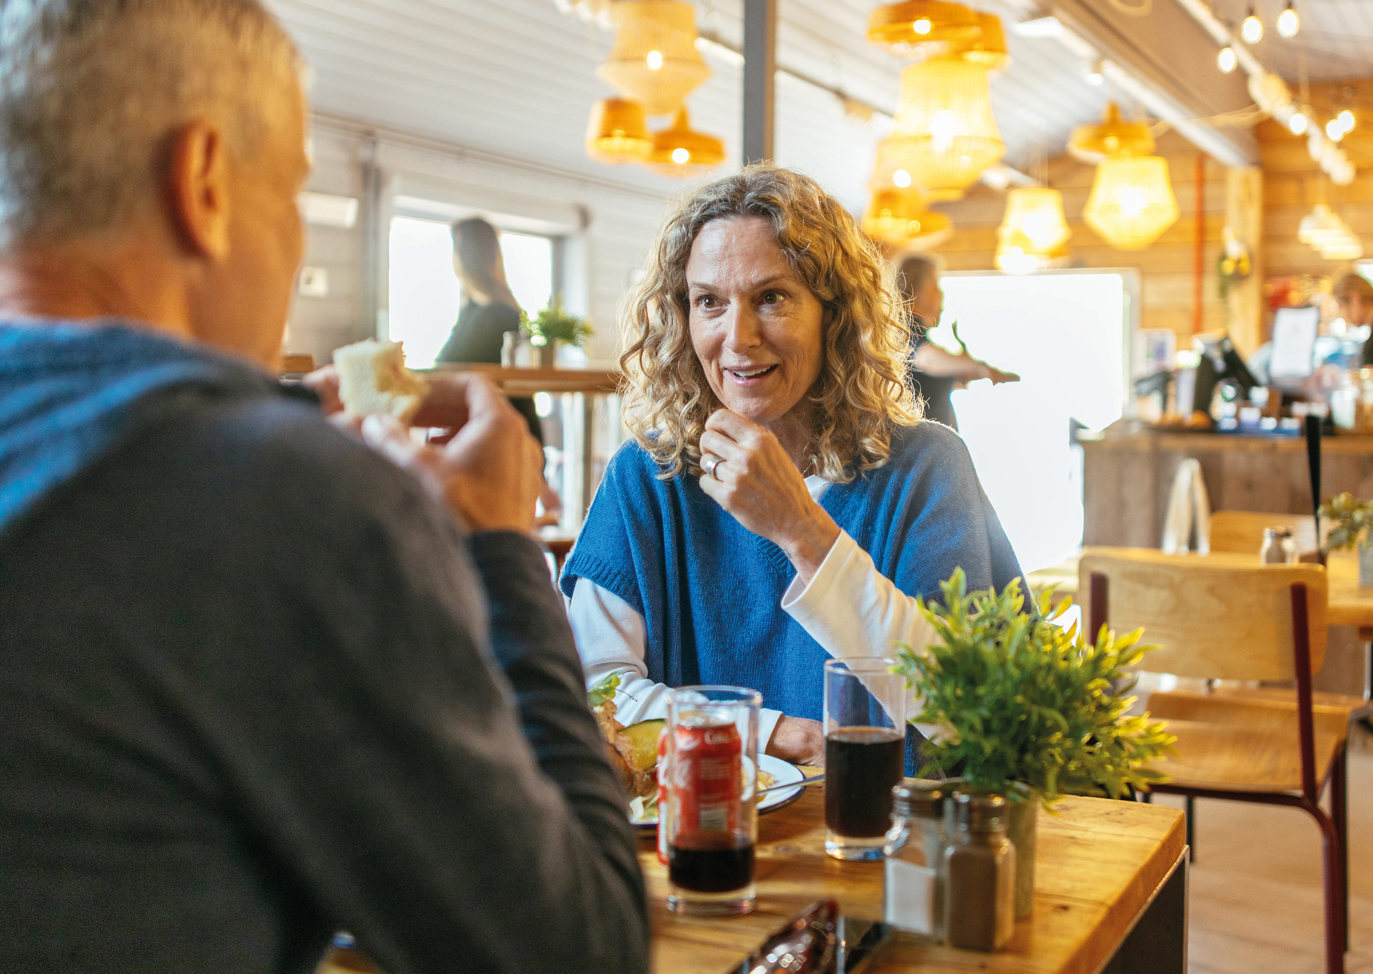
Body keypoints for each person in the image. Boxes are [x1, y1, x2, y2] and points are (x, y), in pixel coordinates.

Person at [0, 3, 646, 973]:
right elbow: (579, 952)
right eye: (294, 191)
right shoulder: (292, 507)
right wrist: (500, 550)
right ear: (203, 180)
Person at [560, 165, 1023, 768]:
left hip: (883, 841)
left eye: (771, 297)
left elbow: (966, 712)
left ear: (834, 315)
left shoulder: (925, 468)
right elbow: (599, 694)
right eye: (709, 302)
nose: (738, 337)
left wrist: (800, 529)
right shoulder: (647, 477)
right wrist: (761, 731)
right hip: (707, 840)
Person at [436, 216, 543, 440]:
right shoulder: (480, 310)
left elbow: (448, 365)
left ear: (465, 258)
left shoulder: (495, 315)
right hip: (497, 430)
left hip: (502, 435)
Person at [895, 253, 1018, 430]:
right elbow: (926, 358)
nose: (941, 293)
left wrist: (961, 375)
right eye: (935, 285)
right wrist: (979, 367)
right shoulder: (904, 327)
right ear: (920, 289)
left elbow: (923, 383)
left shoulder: (915, 332)